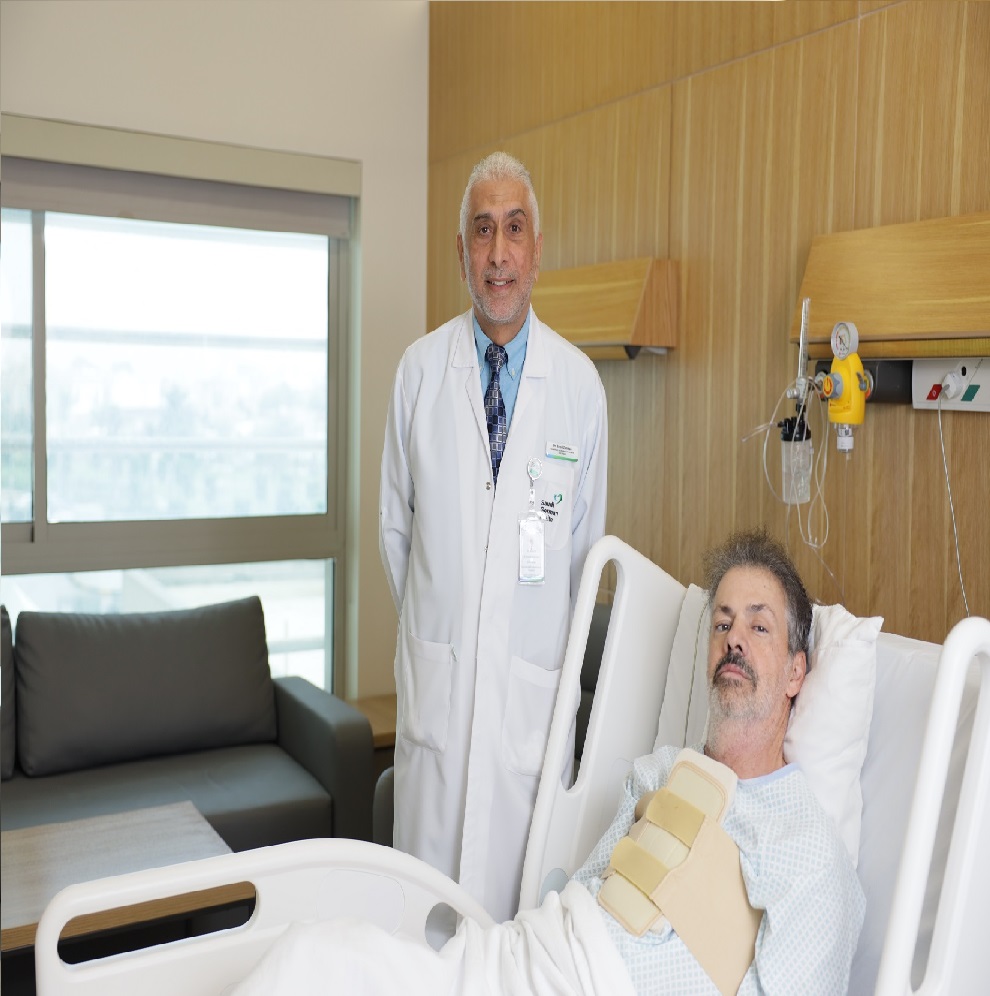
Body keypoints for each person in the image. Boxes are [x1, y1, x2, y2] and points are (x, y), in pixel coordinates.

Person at [234, 530, 865, 996]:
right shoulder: (661, 775)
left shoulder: (806, 846)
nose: (733, 638)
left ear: (795, 673)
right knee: (312, 956)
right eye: (722, 623)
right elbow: (583, 898)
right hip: (528, 963)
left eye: (759, 627)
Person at [378, 151, 609, 922]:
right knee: (424, 934)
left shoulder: (578, 389)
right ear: (462, 252)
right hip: (440, 704)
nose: (499, 253)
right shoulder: (419, 374)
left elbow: (582, 558)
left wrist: (507, 634)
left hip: (527, 715)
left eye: (514, 230)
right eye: (483, 231)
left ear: (537, 250)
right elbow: (396, 534)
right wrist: (450, 626)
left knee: (517, 936)